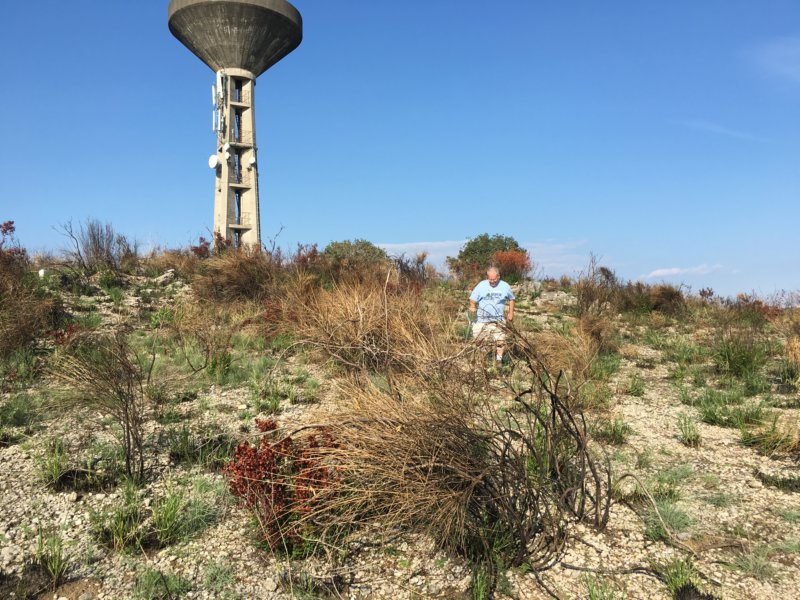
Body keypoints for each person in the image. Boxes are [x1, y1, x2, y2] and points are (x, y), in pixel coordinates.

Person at [468, 267, 515, 365]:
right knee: (479, 341)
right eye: (490, 279)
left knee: (500, 341)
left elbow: (511, 299)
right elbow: (473, 298)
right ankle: (483, 359)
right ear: (487, 277)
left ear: (498, 276)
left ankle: (498, 360)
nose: (492, 281)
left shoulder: (505, 286)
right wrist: (472, 306)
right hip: (482, 319)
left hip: (498, 320)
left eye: (494, 279)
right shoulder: (481, 285)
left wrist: (511, 313)